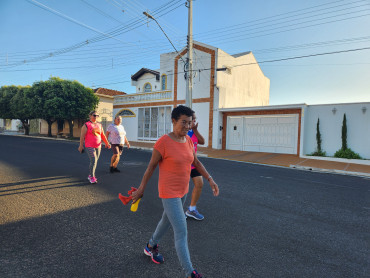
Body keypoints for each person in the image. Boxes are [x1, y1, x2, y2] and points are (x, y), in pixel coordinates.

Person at [131, 105, 219, 278]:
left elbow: (196, 162)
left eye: (190, 123)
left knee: (166, 220)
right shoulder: (163, 142)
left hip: (183, 190)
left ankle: (150, 246)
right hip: (169, 192)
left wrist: (210, 179)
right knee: (181, 230)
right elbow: (151, 168)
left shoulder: (187, 140)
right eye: (183, 123)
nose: (187, 127)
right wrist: (141, 188)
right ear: (173, 121)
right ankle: (190, 273)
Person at [78, 111, 111, 184]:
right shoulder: (86, 125)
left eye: (97, 115)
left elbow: (102, 135)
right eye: (94, 115)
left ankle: (90, 175)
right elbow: (82, 136)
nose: (96, 117)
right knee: (94, 160)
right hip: (89, 145)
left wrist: (107, 143)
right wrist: (81, 145)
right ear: (90, 116)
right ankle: (92, 177)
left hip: (98, 146)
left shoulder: (99, 125)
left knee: (95, 162)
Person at [185, 111, 206, 220]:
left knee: (199, 184)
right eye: (193, 120)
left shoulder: (193, 132)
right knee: (180, 190)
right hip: (183, 166)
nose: (195, 121)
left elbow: (202, 141)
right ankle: (175, 212)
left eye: (195, 120)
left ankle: (191, 209)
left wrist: (195, 130)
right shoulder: (184, 133)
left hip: (194, 164)